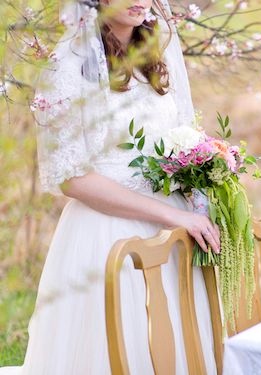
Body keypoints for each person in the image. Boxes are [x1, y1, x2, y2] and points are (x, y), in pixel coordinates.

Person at [0, 0, 219, 373]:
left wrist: (201, 187)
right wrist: (170, 215)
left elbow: (182, 133)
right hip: (110, 236)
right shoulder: (68, 65)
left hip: (176, 233)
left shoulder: (154, 51)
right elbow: (72, 177)